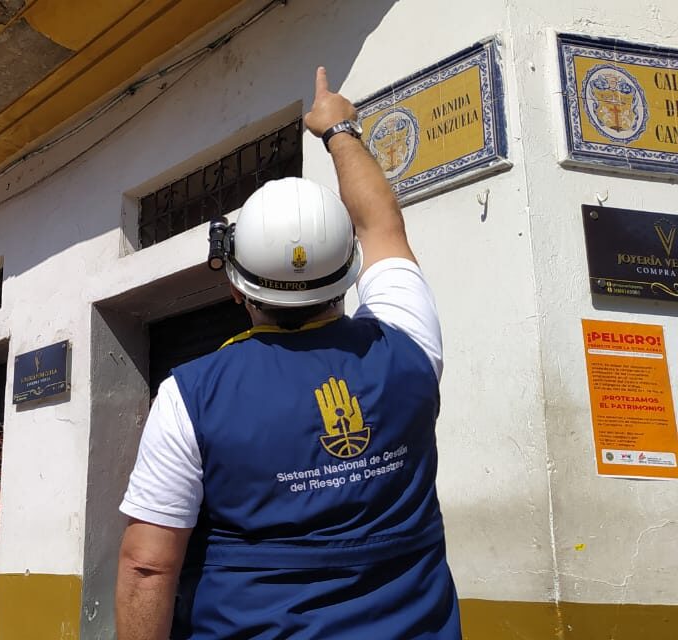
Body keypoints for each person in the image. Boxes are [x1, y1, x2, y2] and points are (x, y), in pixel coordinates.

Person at [115, 67, 461, 639]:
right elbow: (383, 226)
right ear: (350, 273)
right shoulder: (410, 348)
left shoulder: (190, 396)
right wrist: (339, 129)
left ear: (235, 285)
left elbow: (148, 564)